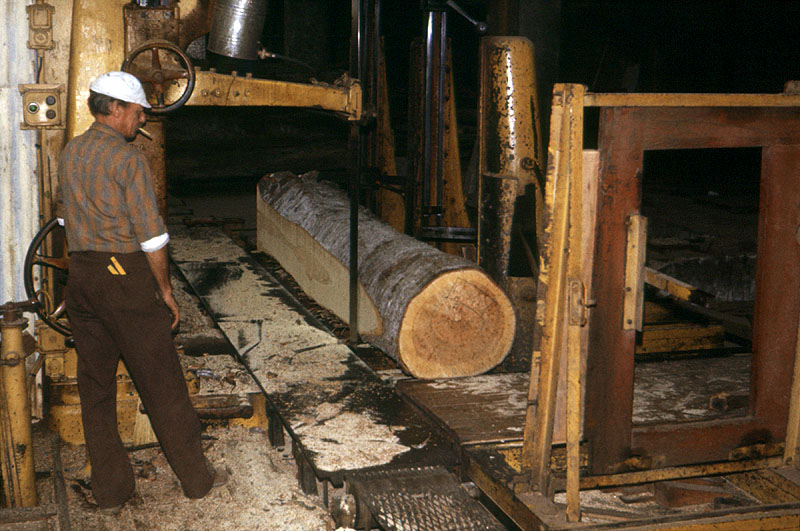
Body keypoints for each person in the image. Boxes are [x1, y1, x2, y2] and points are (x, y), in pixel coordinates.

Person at [57, 71, 225, 511]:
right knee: (162, 382)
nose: (141, 120)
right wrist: (164, 289)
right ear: (115, 108)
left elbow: (62, 220)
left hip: (82, 277)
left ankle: (111, 490)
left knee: (95, 385)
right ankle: (196, 480)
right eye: (137, 111)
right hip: (122, 275)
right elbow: (152, 237)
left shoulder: (71, 152)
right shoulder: (128, 159)